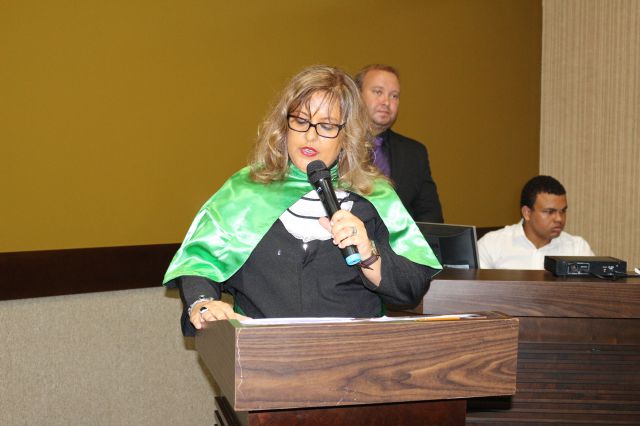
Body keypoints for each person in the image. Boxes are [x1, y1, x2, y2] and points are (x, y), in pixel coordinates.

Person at [163, 65, 442, 336]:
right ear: (284, 126)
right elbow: (200, 263)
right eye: (300, 121)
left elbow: (411, 288)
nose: (310, 135)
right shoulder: (245, 192)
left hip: (353, 356)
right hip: (262, 357)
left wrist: (369, 253)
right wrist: (203, 304)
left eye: (327, 126)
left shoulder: (374, 196)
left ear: (347, 136)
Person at [354, 64, 444, 223]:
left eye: (394, 96)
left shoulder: (414, 153)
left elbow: (430, 216)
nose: (386, 102)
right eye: (378, 92)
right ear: (356, 95)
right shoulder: (334, 145)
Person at [478, 175, 594, 269]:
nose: (559, 219)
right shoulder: (491, 245)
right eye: (550, 212)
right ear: (527, 213)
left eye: (563, 211)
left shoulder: (577, 249)